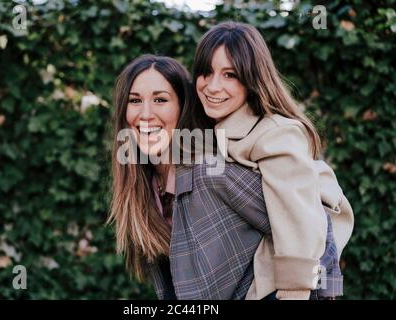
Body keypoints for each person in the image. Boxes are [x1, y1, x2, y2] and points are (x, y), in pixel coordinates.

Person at [107, 53, 352, 300]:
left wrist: (326, 292)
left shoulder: (211, 171)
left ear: (183, 107)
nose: (145, 114)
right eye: (135, 100)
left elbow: (315, 227)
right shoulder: (144, 187)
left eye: (160, 100)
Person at [190, 21, 354, 299]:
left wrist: (294, 294)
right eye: (206, 72)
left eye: (229, 74)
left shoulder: (276, 133)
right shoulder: (220, 131)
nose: (212, 86)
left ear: (252, 78)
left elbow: (300, 225)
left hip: (286, 288)